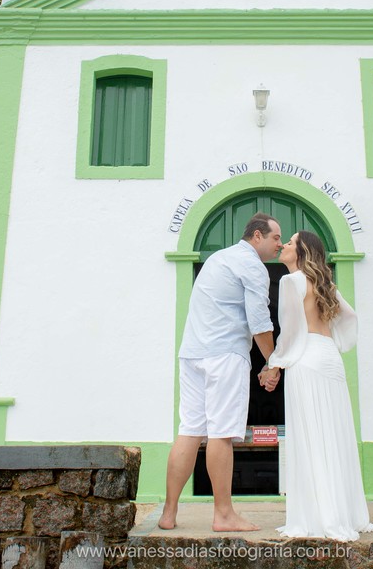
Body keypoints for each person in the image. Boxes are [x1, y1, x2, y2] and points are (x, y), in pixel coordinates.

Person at [158, 212, 283, 532]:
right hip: (224, 355)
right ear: (257, 236)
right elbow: (259, 321)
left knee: (189, 431)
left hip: (192, 353)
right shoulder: (252, 265)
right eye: (275, 238)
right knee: (221, 434)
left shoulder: (217, 259)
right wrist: (274, 362)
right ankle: (224, 514)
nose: (279, 245)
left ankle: (169, 513)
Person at [260, 230, 373, 541]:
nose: (283, 245)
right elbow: (349, 317)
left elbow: (291, 329)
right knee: (334, 434)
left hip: (307, 360)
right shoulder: (325, 283)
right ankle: (344, 513)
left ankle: (317, 516)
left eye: (289, 242)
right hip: (329, 357)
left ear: (300, 252)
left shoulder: (291, 281)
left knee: (310, 435)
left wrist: (275, 362)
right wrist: (337, 341)